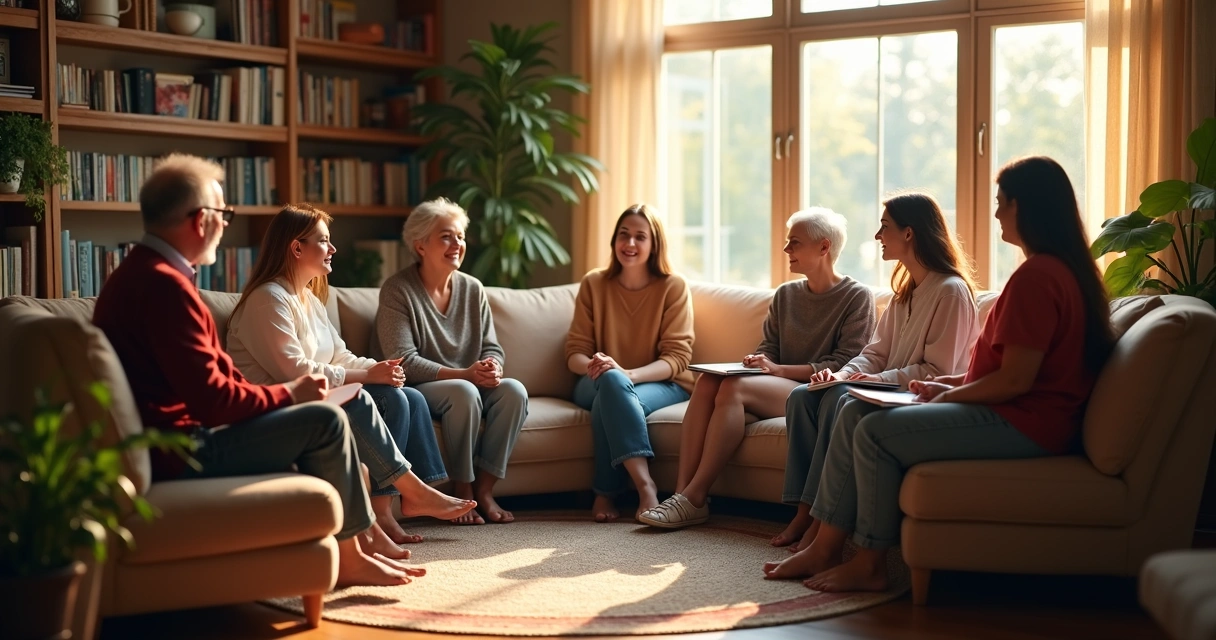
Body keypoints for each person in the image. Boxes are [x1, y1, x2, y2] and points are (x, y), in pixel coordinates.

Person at [764, 156, 1115, 592]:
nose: (996, 212)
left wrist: (947, 395)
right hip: (1019, 411)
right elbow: (1008, 371)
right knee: (854, 410)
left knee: (867, 427)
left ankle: (866, 562)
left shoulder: (1038, 277)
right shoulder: (1051, 272)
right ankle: (826, 546)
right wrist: (951, 384)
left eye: (1002, 202)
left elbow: (1015, 383)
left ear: (1027, 207)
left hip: (1026, 421)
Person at [93, 154, 424, 587]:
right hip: (184, 449)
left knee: (338, 418)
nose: (226, 223)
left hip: (176, 439)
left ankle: (361, 541)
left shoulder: (141, 274)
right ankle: (352, 553)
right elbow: (214, 402)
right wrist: (291, 394)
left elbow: (216, 379)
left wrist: (290, 395)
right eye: (224, 213)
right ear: (200, 220)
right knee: (324, 421)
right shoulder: (165, 286)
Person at [226, 203, 475, 544]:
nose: (333, 249)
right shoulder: (268, 299)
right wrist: (367, 378)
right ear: (297, 247)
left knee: (407, 397)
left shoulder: (309, 299)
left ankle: (388, 510)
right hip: (281, 405)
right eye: (324, 241)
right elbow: (295, 371)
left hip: (315, 396)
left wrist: (376, 369)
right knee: (371, 397)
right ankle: (411, 492)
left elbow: (339, 354)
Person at [638, 207, 874, 529]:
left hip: (817, 391)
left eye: (795, 242)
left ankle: (695, 495)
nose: (786, 250)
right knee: (709, 381)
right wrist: (757, 361)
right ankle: (682, 494)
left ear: (823, 248)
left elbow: (844, 363)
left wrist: (777, 369)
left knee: (734, 388)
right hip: (777, 382)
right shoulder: (786, 294)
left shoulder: (856, 297)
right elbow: (769, 347)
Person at [771, 193, 979, 552]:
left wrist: (865, 382)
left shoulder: (951, 292)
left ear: (909, 233)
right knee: (804, 396)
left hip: (924, 397)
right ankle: (804, 511)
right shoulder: (904, 293)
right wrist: (842, 374)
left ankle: (822, 522)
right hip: (889, 388)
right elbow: (875, 353)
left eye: (885, 228)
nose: (877, 236)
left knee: (839, 400)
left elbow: (936, 370)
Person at [372, 197, 528, 525]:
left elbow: (491, 345)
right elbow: (403, 361)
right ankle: (463, 487)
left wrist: (491, 366)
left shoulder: (473, 289)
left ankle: (484, 490)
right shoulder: (397, 291)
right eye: (446, 236)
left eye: (460, 237)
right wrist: (466, 374)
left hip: (467, 378)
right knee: (463, 391)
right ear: (420, 245)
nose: (456, 244)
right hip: (420, 387)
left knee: (514, 391)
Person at [565, 204, 695, 522]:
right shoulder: (594, 284)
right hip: (595, 379)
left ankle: (604, 493)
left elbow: (678, 358)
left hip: (662, 383)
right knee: (610, 384)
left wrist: (626, 374)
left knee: (608, 397)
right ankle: (646, 486)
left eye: (640, 236)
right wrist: (599, 368)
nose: (630, 244)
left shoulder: (673, 287)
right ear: (614, 241)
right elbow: (574, 353)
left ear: (654, 245)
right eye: (624, 235)